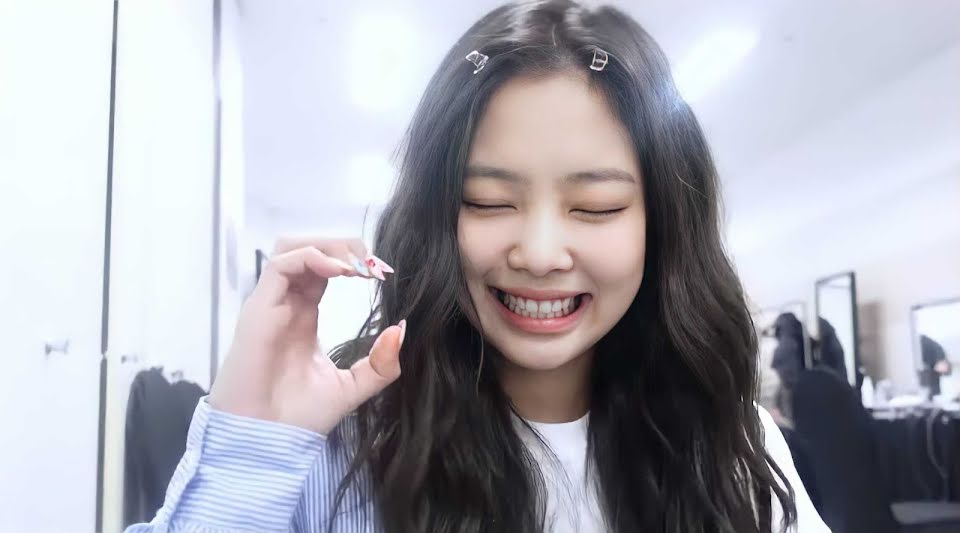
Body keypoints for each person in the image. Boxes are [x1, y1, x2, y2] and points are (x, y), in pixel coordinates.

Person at [126, 1, 828, 532]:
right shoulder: (338, 452)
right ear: (436, 215)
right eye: (488, 201)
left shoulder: (731, 446)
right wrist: (250, 444)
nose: (540, 254)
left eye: (596, 207)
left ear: (663, 227)